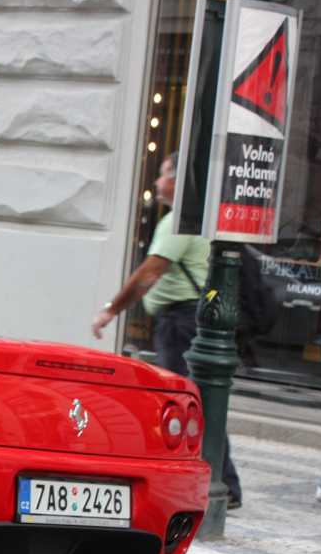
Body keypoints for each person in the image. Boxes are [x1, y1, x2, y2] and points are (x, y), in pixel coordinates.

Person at [91, 152, 243, 507]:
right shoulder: (197, 222)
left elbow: (149, 272)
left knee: (187, 401)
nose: (157, 183)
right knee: (197, 402)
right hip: (189, 319)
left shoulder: (180, 222)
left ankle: (219, 483)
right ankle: (215, 480)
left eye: (162, 175)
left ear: (177, 179)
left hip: (182, 322)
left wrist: (111, 310)